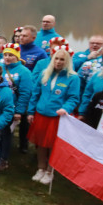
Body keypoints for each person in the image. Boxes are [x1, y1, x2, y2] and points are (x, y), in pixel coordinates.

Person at [26, 46, 81, 186]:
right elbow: (35, 94)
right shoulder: (45, 73)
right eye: (56, 58)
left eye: (62, 59)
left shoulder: (73, 78)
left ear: (67, 61)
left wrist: (65, 108)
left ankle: (50, 171)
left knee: (52, 145)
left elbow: (73, 98)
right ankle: (41, 168)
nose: (58, 62)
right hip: (41, 114)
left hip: (57, 116)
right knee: (40, 144)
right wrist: (31, 111)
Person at [1, 44, 34, 169]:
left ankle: (3, 159)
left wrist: (19, 111)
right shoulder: (1, 68)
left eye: (11, 55)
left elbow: (25, 93)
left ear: (17, 56)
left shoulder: (24, 72)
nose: (7, 58)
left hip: (12, 108)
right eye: (5, 55)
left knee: (6, 133)